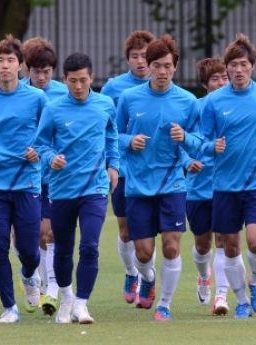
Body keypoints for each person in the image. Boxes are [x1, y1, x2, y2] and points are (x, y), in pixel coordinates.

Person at [116, 34, 203, 322]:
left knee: (171, 246)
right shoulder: (129, 98)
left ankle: (164, 304)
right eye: (156, 65)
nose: (162, 71)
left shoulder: (188, 101)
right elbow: (111, 135)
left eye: (167, 65)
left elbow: (200, 141)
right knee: (142, 253)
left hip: (173, 185)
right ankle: (148, 279)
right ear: (148, 65)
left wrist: (186, 138)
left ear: (175, 67)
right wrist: (129, 141)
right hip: (138, 185)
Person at [34, 52, 119, 324]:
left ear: (92, 78)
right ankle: (66, 297)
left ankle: (82, 303)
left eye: (83, 80)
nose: (79, 86)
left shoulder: (105, 105)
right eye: (73, 81)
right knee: (62, 249)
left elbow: (112, 136)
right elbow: (40, 145)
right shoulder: (53, 109)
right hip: (61, 190)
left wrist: (114, 165)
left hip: (94, 189)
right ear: (64, 80)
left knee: (90, 246)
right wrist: (51, 158)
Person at [0, 34, 48, 323]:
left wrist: (39, 150)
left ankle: (29, 274)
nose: (5, 65)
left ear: (20, 66)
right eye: (0, 60)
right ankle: (9, 307)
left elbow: (51, 133)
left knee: (29, 250)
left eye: (10, 61)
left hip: (27, 183)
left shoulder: (37, 98)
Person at [201, 34, 256, 318]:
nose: (238, 69)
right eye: (233, 65)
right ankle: (240, 300)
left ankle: (255, 282)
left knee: (255, 242)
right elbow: (201, 140)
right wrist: (210, 146)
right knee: (230, 247)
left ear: (252, 67)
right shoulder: (214, 102)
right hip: (225, 185)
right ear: (226, 68)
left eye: (243, 64)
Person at [100, 30, 155, 305]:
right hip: (122, 170)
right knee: (125, 229)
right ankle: (131, 273)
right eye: (135, 56)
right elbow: (106, 127)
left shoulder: (163, 86)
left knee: (148, 230)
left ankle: (148, 279)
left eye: (145, 56)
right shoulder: (113, 88)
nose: (141, 61)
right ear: (128, 60)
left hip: (153, 171)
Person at [21, 36, 67, 316]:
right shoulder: (18, 93)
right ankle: (33, 279)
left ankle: (51, 291)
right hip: (21, 177)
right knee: (26, 238)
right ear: (27, 69)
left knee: (49, 234)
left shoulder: (63, 93)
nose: (41, 77)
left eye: (46, 71)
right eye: (36, 71)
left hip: (53, 177)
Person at [186, 57, 230, 315]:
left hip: (226, 185)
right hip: (198, 187)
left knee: (224, 240)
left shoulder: (237, 105)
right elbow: (183, 141)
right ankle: (204, 276)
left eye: (224, 77)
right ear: (205, 84)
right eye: (216, 78)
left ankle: (221, 297)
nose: (222, 82)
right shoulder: (195, 108)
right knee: (203, 244)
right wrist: (189, 160)